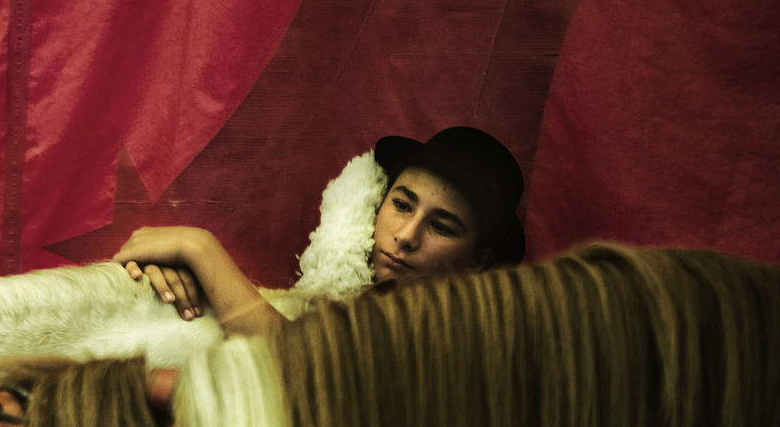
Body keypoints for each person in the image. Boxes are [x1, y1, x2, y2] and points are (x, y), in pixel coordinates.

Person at [115, 126, 525, 336]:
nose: (406, 235)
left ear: (480, 260)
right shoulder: (342, 310)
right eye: (402, 205)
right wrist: (186, 288)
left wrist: (197, 248)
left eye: (441, 226)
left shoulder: (458, 340)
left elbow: (299, 372)